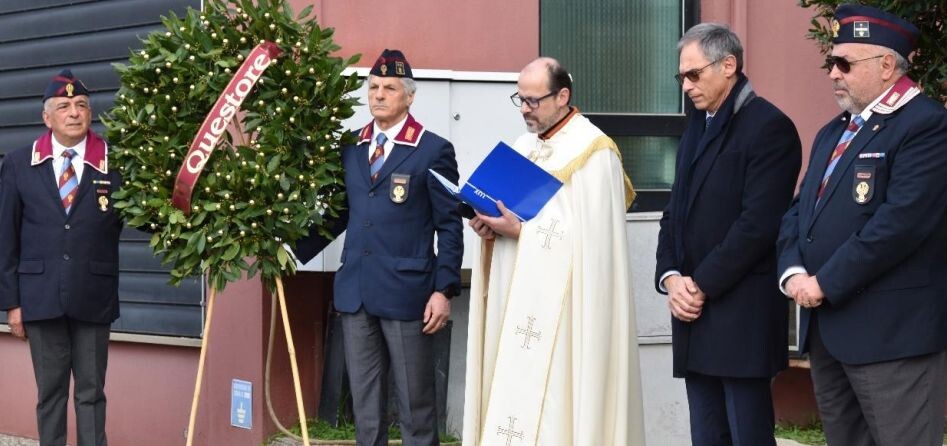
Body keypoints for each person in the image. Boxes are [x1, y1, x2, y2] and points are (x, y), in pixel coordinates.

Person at [777, 5, 947, 445]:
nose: (832, 73)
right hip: (830, 333)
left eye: (844, 63)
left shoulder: (925, 125)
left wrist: (824, 283)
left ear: (887, 65)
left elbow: (900, 225)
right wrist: (793, 271)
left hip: (892, 338)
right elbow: (801, 211)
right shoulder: (835, 131)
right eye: (831, 63)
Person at [462, 57, 645, 446]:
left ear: (563, 96)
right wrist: (490, 231)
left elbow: (596, 248)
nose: (525, 110)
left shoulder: (595, 153)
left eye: (534, 101)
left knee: (558, 404)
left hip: (567, 315)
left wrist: (523, 232)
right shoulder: (521, 147)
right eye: (520, 100)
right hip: (514, 300)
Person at [293, 49, 463, 446]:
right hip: (356, 292)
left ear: (409, 96)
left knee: (415, 406)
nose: (378, 95)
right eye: (373, 87)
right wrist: (289, 248)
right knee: (365, 411)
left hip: (408, 293)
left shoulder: (432, 149)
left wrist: (444, 289)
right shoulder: (351, 146)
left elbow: (449, 226)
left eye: (389, 88)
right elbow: (339, 213)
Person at [655, 24, 802, 445]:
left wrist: (700, 284)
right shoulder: (697, 126)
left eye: (694, 74)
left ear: (729, 65)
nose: (686, 85)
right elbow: (674, 211)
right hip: (693, 313)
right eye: (680, 76)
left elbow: (759, 224)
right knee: (706, 434)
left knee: (747, 434)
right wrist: (670, 276)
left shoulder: (769, 126)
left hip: (741, 314)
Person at [0, 69, 123, 446]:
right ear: (46, 117)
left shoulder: (115, 163)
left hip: (93, 294)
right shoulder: (20, 164)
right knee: (50, 394)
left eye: (82, 105)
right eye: (65, 106)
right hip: (40, 297)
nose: (74, 113)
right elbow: (6, 237)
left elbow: (145, 218)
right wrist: (12, 304)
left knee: (91, 393)